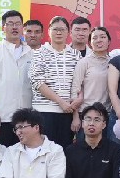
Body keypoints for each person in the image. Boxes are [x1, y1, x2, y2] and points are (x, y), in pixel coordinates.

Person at [0, 10, 34, 147]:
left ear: (23, 27)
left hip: (27, 117)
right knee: (4, 153)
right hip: (3, 116)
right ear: (3, 28)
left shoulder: (32, 53)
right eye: (10, 24)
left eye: (18, 24)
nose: (14, 27)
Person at [0, 109, 66, 178]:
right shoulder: (11, 151)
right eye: (16, 129)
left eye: (21, 127)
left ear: (36, 127)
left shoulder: (55, 150)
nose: (18, 132)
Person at [29, 16, 81, 149]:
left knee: (65, 152)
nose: (58, 32)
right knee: (44, 151)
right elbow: (37, 82)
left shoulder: (76, 54)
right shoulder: (38, 53)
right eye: (55, 29)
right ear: (49, 31)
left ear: (68, 32)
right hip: (44, 112)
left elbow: (78, 85)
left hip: (68, 114)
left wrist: (75, 115)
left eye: (62, 29)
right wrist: (61, 102)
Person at [71, 26, 114, 134]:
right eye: (95, 38)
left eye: (102, 37)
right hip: (86, 114)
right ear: (90, 43)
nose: (99, 40)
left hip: (106, 114)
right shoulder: (84, 62)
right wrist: (75, 117)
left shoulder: (113, 63)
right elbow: (75, 89)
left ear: (109, 41)